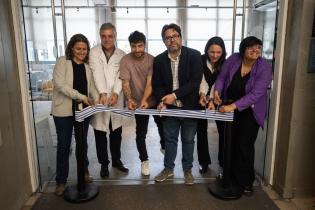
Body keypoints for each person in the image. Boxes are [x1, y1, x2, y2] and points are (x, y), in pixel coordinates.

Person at [214, 36, 272, 196]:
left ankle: (246, 181)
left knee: (244, 146)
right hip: (228, 106)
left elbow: (256, 93)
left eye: (258, 48)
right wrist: (217, 91)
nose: (255, 51)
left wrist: (232, 107)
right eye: (251, 48)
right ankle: (229, 176)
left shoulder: (265, 67)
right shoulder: (234, 58)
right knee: (228, 142)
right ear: (243, 49)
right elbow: (222, 78)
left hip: (250, 111)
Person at [152, 23, 203, 185]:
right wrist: (163, 101)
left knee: (188, 140)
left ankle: (187, 170)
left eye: (175, 36)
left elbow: (195, 82)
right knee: (170, 139)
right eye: (168, 37)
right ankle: (168, 169)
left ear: (180, 37)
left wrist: (173, 95)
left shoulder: (194, 55)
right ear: (163, 41)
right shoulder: (159, 60)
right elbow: (157, 85)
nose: (172, 40)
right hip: (170, 110)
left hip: (189, 108)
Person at [51, 34, 98, 196]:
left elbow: (91, 88)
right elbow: (60, 85)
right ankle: (61, 181)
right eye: (78, 48)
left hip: (82, 112)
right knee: (64, 146)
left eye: (84, 49)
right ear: (72, 48)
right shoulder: (62, 62)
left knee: (82, 143)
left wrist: (99, 100)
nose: (82, 52)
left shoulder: (86, 68)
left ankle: (84, 172)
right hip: (63, 112)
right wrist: (82, 97)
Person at [120, 31, 164, 176]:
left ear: (145, 45)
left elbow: (150, 83)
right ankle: (144, 160)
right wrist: (130, 99)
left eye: (140, 46)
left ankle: (164, 146)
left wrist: (145, 100)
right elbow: (125, 83)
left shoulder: (153, 60)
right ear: (130, 46)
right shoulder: (125, 60)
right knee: (141, 133)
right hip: (138, 103)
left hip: (154, 100)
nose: (137, 49)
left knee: (162, 127)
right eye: (134, 46)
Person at [89, 23, 128, 178]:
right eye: (103, 36)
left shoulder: (122, 54)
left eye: (110, 36)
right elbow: (96, 73)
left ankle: (116, 160)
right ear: (100, 36)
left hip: (115, 99)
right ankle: (104, 164)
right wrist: (103, 92)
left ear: (115, 36)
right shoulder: (93, 52)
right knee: (100, 132)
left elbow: (122, 76)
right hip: (100, 96)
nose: (107, 39)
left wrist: (116, 93)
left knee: (116, 132)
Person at [197, 37, 226, 174]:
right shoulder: (200, 60)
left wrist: (213, 99)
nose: (215, 55)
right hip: (200, 98)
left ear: (223, 52)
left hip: (219, 100)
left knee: (223, 131)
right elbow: (200, 80)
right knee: (201, 130)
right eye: (212, 52)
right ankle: (203, 162)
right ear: (207, 50)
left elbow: (220, 82)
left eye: (218, 52)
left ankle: (223, 161)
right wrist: (204, 95)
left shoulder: (226, 64)